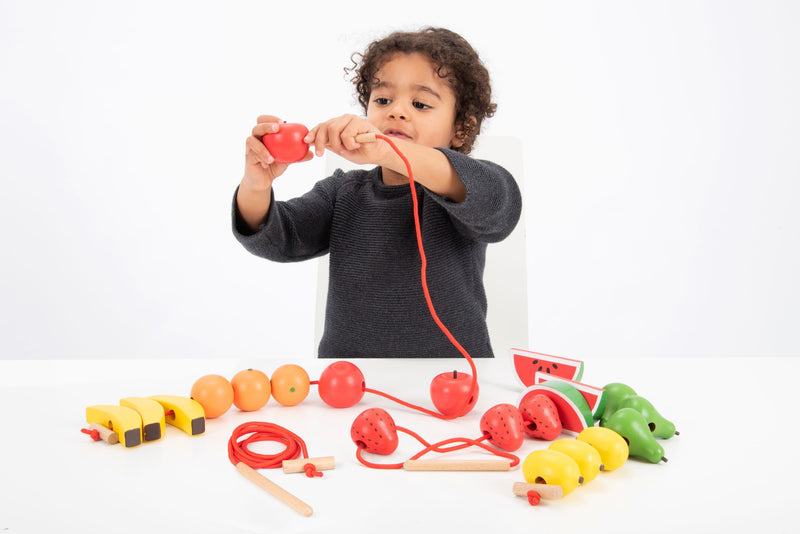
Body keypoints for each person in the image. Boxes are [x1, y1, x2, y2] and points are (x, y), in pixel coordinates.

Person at [232, 27, 522, 359]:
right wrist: (257, 184)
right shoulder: (343, 192)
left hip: (452, 384)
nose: (396, 111)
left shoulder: (462, 191)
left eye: (421, 103)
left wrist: (388, 152)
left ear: (461, 129)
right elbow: (277, 236)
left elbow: (498, 203)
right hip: (350, 388)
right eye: (383, 100)